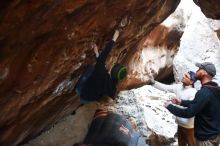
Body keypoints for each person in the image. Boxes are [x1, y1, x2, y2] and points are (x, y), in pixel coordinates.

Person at [164, 62, 220, 146]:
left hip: (205, 139)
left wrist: (170, 106)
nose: (196, 71)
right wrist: (181, 102)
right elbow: (199, 104)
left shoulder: (203, 93)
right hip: (215, 135)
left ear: (204, 73)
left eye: (199, 69)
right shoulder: (215, 89)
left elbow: (189, 113)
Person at [75, 30, 127, 103]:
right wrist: (97, 54)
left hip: (82, 93)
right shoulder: (113, 88)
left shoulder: (101, 72)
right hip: (91, 100)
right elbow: (100, 62)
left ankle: (77, 90)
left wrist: (114, 39)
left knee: (91, 68)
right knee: (98, 68)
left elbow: (103, 56)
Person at [150, 71, 197, 146]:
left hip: (189, 126)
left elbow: (189, 111)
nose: (183, 76)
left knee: (192, 144)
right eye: (184, 74)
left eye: (186, 76)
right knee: (181, 143)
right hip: (179, 123)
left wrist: (170, 106)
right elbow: (166, 87)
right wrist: (153, 82)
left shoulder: (193, 93)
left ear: (191, 81)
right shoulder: (179, 87)